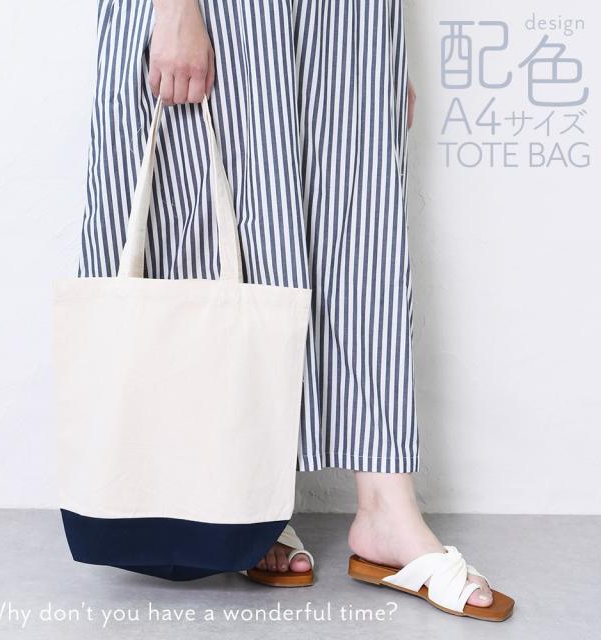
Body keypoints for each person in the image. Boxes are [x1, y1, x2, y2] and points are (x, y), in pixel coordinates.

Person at [79, 0, 513, 621]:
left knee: (362, 225)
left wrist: (382, 53)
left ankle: (386, 509)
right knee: (222, 228)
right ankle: (247, 495)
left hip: (350, 20)